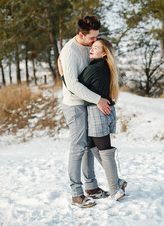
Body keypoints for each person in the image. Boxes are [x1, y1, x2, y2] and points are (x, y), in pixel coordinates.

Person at [59, 15, 111, 208]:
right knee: (78, 147)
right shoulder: (70, 51)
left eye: (97, 37)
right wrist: (98, 100)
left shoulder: (89, 48)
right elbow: (72, 84)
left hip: (87, 102)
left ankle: (92, 188)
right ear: (81, 34)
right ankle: (76, 194)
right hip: (74, 105)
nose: (95, 42)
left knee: (89, 145)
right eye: (92, 38)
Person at [78, 38, 127, 201]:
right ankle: (117, 181)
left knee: (105, 151)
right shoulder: (105, 66)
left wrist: (63, 74)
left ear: (104, 53)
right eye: (92, 46)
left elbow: (76, 86)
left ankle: (114, 190)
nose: (91, 49)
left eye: (96, 48)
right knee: (94, 147)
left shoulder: (96, 68)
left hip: (97, 112)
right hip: (105, 111)